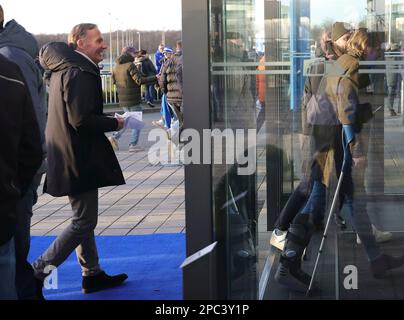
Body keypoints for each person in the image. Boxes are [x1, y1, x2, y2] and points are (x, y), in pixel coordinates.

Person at [275, 30, 404, 293]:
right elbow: (345, 113)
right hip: (327, 144)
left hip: (323, 138)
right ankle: (287, 265)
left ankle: (376, 259)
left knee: (354, 203)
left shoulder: (341, 63)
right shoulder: (351, 67)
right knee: (316, 205)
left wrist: (361, 113)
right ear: (365, 48)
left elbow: (340, 104)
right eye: (376, 48)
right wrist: (355, 152)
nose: (378, 53)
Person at [32, 23, 128, 296]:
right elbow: (82, 120)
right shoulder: (81, 71)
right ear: (80, 42)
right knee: (83, 222)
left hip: (67, 152)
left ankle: (92, 273)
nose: (104, 45)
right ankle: (38, 272)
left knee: (82, 217)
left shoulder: (62, 69)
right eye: (98, 40)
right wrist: (117, 122)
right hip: (78, 156)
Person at [0, 4, 47, 300]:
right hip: (12, 183)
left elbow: (27, 132)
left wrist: (12, 185)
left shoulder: (8, 58)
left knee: (13, 266)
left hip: (10, 188)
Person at [109, 46, 157, 152]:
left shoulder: (116, 66)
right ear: (129, 54)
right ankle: (133, 144)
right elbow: (139, 81)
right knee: (136, 122)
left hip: (123, 99)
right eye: (134, 53)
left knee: (126, 121)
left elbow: (113, 81)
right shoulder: (130, 65)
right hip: (133, 99)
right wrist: (155, 77)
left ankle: (114, 137)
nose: (136, 55)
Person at [159, 41, 183, 129]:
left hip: (171, 97)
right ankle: (178, 135)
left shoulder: (167, 63)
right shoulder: (185, 60)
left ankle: (176, 135)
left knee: (181, 120)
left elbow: (162, 81)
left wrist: (166, 92)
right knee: (185, 121)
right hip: (182, 97)